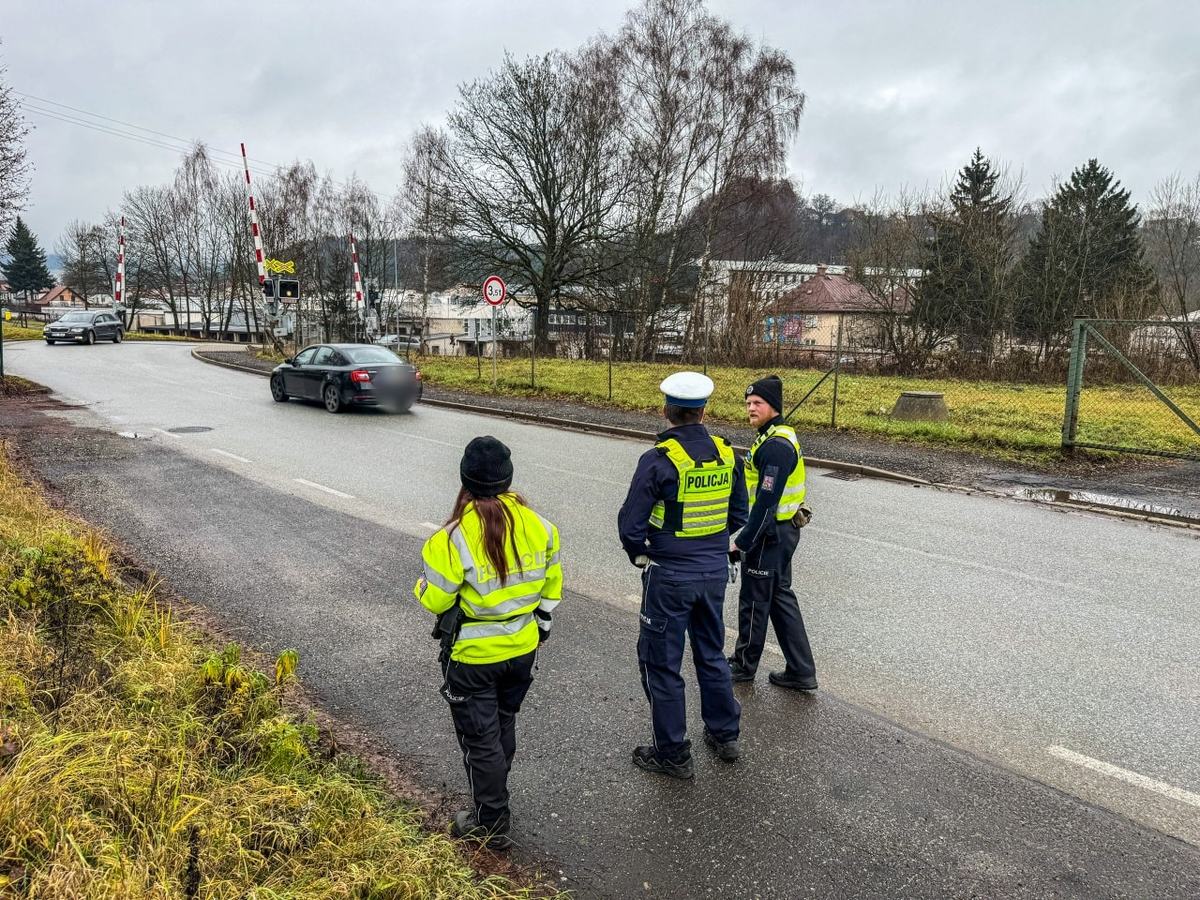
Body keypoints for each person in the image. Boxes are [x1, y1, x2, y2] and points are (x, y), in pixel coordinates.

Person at [414, 436, 562, 850]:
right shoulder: (542, 527)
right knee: (502, 723)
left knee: (480, 739)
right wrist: (542, 623)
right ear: (508, 477)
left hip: (472, 655)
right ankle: (495, 792)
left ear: (465, 480)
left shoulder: (450, 538)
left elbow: (437, 599)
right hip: (522, 647)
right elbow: (552, 586)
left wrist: (421, 586)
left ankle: (491, 821)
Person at [617, 371, 748, 778]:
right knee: (711, 654)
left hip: (669, 577)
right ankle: (724, 735)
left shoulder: (658, 461)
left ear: (665, 411)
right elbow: (739, 515)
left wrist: (642, 556)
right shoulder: (729, 455)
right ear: (704, 411)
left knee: (661, 663)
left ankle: (673, 753)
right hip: (713, 574)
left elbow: (630, 526)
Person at [728, 375, 818, 691]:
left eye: (758, 403)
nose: (751, 408)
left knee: (754, 600)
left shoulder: (777, 446)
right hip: (780, 531)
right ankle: (801, 670)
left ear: (773, 407)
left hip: (770, 534)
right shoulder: (771, 437)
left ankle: (742, 665)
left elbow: (766, 504)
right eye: (749, 403)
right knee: (780, 599)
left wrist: (741, 542)